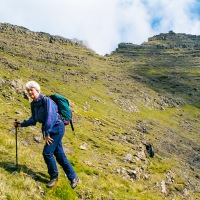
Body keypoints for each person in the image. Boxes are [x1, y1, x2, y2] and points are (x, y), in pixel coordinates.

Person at [13, 81, 79, 189]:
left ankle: (54, 177)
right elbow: (34, 119)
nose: (30, 92)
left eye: (31, 90)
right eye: (28, 90)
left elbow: (50, 117)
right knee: (59, 155)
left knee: (47, 153)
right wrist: (21, 124)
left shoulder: (47, 101)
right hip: (49, 130)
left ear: (37, 90)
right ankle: (73, 177)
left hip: (57, 128)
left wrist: (47, 133)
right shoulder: (33, 104)